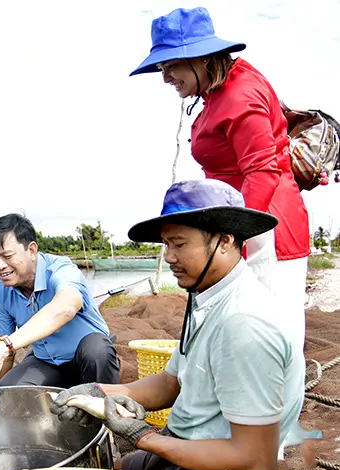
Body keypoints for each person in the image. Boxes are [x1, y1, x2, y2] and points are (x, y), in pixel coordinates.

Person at [51, 180, 305, 470]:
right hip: (182, 442)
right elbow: (170, 383)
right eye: (166, 244)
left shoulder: (244, 322)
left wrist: (143, 436)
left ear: (224, 241)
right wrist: (97, 392)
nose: (169, 256)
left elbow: (252, 458)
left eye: (179, 244)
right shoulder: (206, 296)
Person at [129, 7, 310, 352]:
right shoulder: (214, 91)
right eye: (162, 68)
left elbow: (263, 171)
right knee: (235, 324)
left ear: (201, 58)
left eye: (171, 66)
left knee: (270, 329)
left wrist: (237, 236)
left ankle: (275, 405)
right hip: (235, 220)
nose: (165, 76)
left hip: (264, 225)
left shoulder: (240, 96)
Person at [0, 213, 120, 389]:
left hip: (88, 358)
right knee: (9, 395)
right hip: (46, 362)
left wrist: (4, 346)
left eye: (7, 256)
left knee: (97, 350)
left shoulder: (61, 270)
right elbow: (3, 353)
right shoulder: (1, 289)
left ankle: (104, 407)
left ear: (32, 250)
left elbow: (65, 308)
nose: (0, 266)